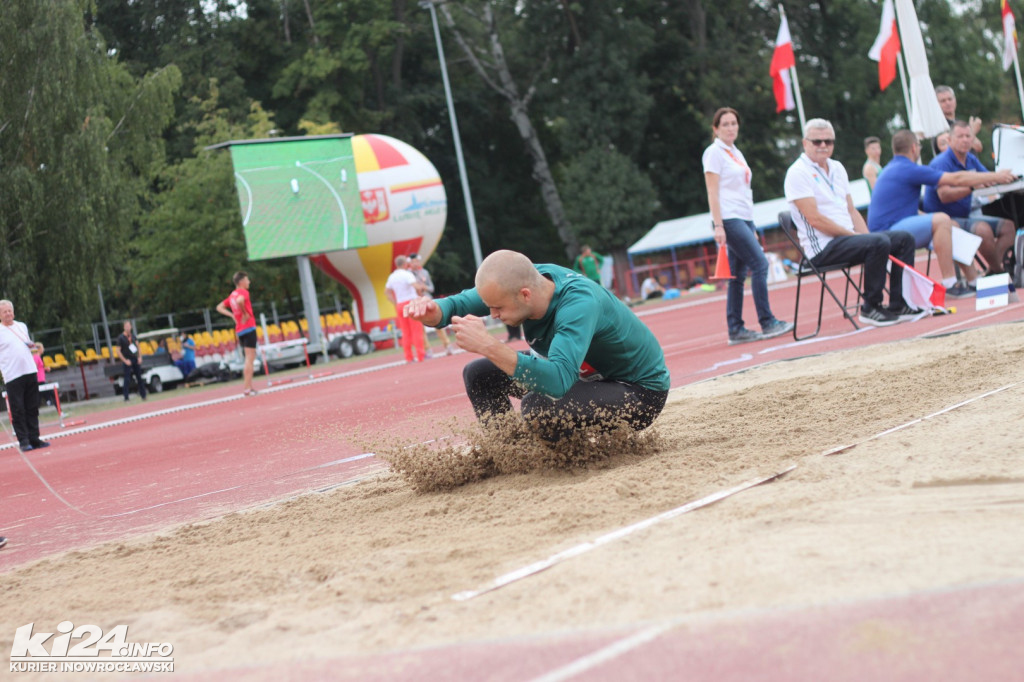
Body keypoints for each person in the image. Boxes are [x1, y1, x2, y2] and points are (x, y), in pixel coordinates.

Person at [404, 250, 670, 443]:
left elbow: (557, 382)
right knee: (480, 374)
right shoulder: (521, 280)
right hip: (583, 378)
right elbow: (459, 303)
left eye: (498, 308)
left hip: (638, 394)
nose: (492, 315)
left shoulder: (578, 304)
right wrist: (433, 312)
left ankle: (571, 459)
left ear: (525, 295)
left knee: (539, 406)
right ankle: (511, 453)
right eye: (489, 307)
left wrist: (488, 344)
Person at [783, 119, 918, 327]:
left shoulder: (837, 167)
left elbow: (851, 210)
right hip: (822, 247)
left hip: (846, 240)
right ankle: (871, 307)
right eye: (817, 141)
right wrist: (858, 237)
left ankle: (899, 303)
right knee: (877, 243)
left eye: (828, 141)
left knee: (903, 239)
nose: (823, 146)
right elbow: (815, 219)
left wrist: (867, 237)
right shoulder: (797, 173)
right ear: (805, 143)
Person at [867, 129, 1016, 297]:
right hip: (888, 233)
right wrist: (996, 176)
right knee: (942, 220)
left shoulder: (895, 168)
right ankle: (950, 283)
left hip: (888, 229)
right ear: (914, 148)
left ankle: (974, 281)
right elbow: (956, 179)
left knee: (949, 225)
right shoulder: (908, 169)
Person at [702, 106, 794, 345]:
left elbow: (744, 191)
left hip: (743, 216)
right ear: (716, 128)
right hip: (729, 218)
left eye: (734, 123)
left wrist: (751, 223)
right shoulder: (714, 153)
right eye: (726, 124)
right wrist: (718, 225)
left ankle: (736, 328)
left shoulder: (736, 152)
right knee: (760, 264)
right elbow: (712, 192)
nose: (731, 128)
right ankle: (767, 321)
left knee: (738, 274)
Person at [923, 121, 1017, 275]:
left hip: (967, 215)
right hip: (945, 220)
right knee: (983, 230)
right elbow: (944, 196)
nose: (965, 140)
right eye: (960, 136)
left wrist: (1008, 177)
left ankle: (993, 271)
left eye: (968, 136)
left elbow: (988, 178)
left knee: (1009, 226)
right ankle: (999, 272)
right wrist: (972, 187)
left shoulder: (971, 160)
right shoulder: (941, 162)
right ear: (950, 140)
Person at [0, 299, 50, 451]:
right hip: (13, 374)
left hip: (30, 370)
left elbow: (28, 345)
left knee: (32, 406)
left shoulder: (22, 326)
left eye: (10, 310)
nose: (8, 314)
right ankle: (23, 440)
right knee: (18, 409)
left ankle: (35, 438)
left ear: (13, 312)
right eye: (4, 311)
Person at [217, 271, 258, 396]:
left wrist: (232, 315)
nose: (249, 282)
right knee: (250, 359)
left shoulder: (232, 295)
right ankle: (247, 387)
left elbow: (219, 307)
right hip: (249, 327)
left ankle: (249, 386)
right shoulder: (242, 292)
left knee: (248, 358)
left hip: (240, 330)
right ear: (241, 282)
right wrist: (245, 313)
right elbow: (241, 301)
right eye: (247, 280)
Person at [409, 253, 455, 356]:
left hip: (428, 299)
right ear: (410, 263)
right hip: (417, 301)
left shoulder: (424, 272)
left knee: (437, 322)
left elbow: (432, 288)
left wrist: (425, 287)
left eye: (416, 261)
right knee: (420, 327)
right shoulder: (409, 275)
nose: (415, 263)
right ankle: (427, 349)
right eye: (413, 262)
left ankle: (447, 345)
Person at [384, 255, 427, 363]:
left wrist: (394, 302)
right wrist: (421, 294)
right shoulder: (407, 274)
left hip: (400, 304)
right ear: (405, 264)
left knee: (405, 331)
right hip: (411, 302)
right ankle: (421, 355)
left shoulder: (392, 277)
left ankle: (408, 357)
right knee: (416, 330)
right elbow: (416, 287)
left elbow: (386, 292)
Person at [933, 85, 983, 156]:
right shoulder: (939, 127)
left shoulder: (959, 123)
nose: (948, 103)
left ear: (955, 100)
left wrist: (970, 134)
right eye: (943, 101)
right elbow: (953, 151)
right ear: (936, 104)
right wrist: (972, 132)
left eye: (950, 99)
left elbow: (978, 147)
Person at [116, 320, 148, 401]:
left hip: (135, 359)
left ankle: (143, 395)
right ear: (124, 327)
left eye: (129, 326)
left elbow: (138, 347)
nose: (127, 328)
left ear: (131, 327)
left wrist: (140, 357)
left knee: (139, 378)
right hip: (127, 360)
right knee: (127, 379)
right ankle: (126, 397)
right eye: (126, 326)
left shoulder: (133, 336)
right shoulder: (121, 338)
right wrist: (125, 360)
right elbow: (118, 351)